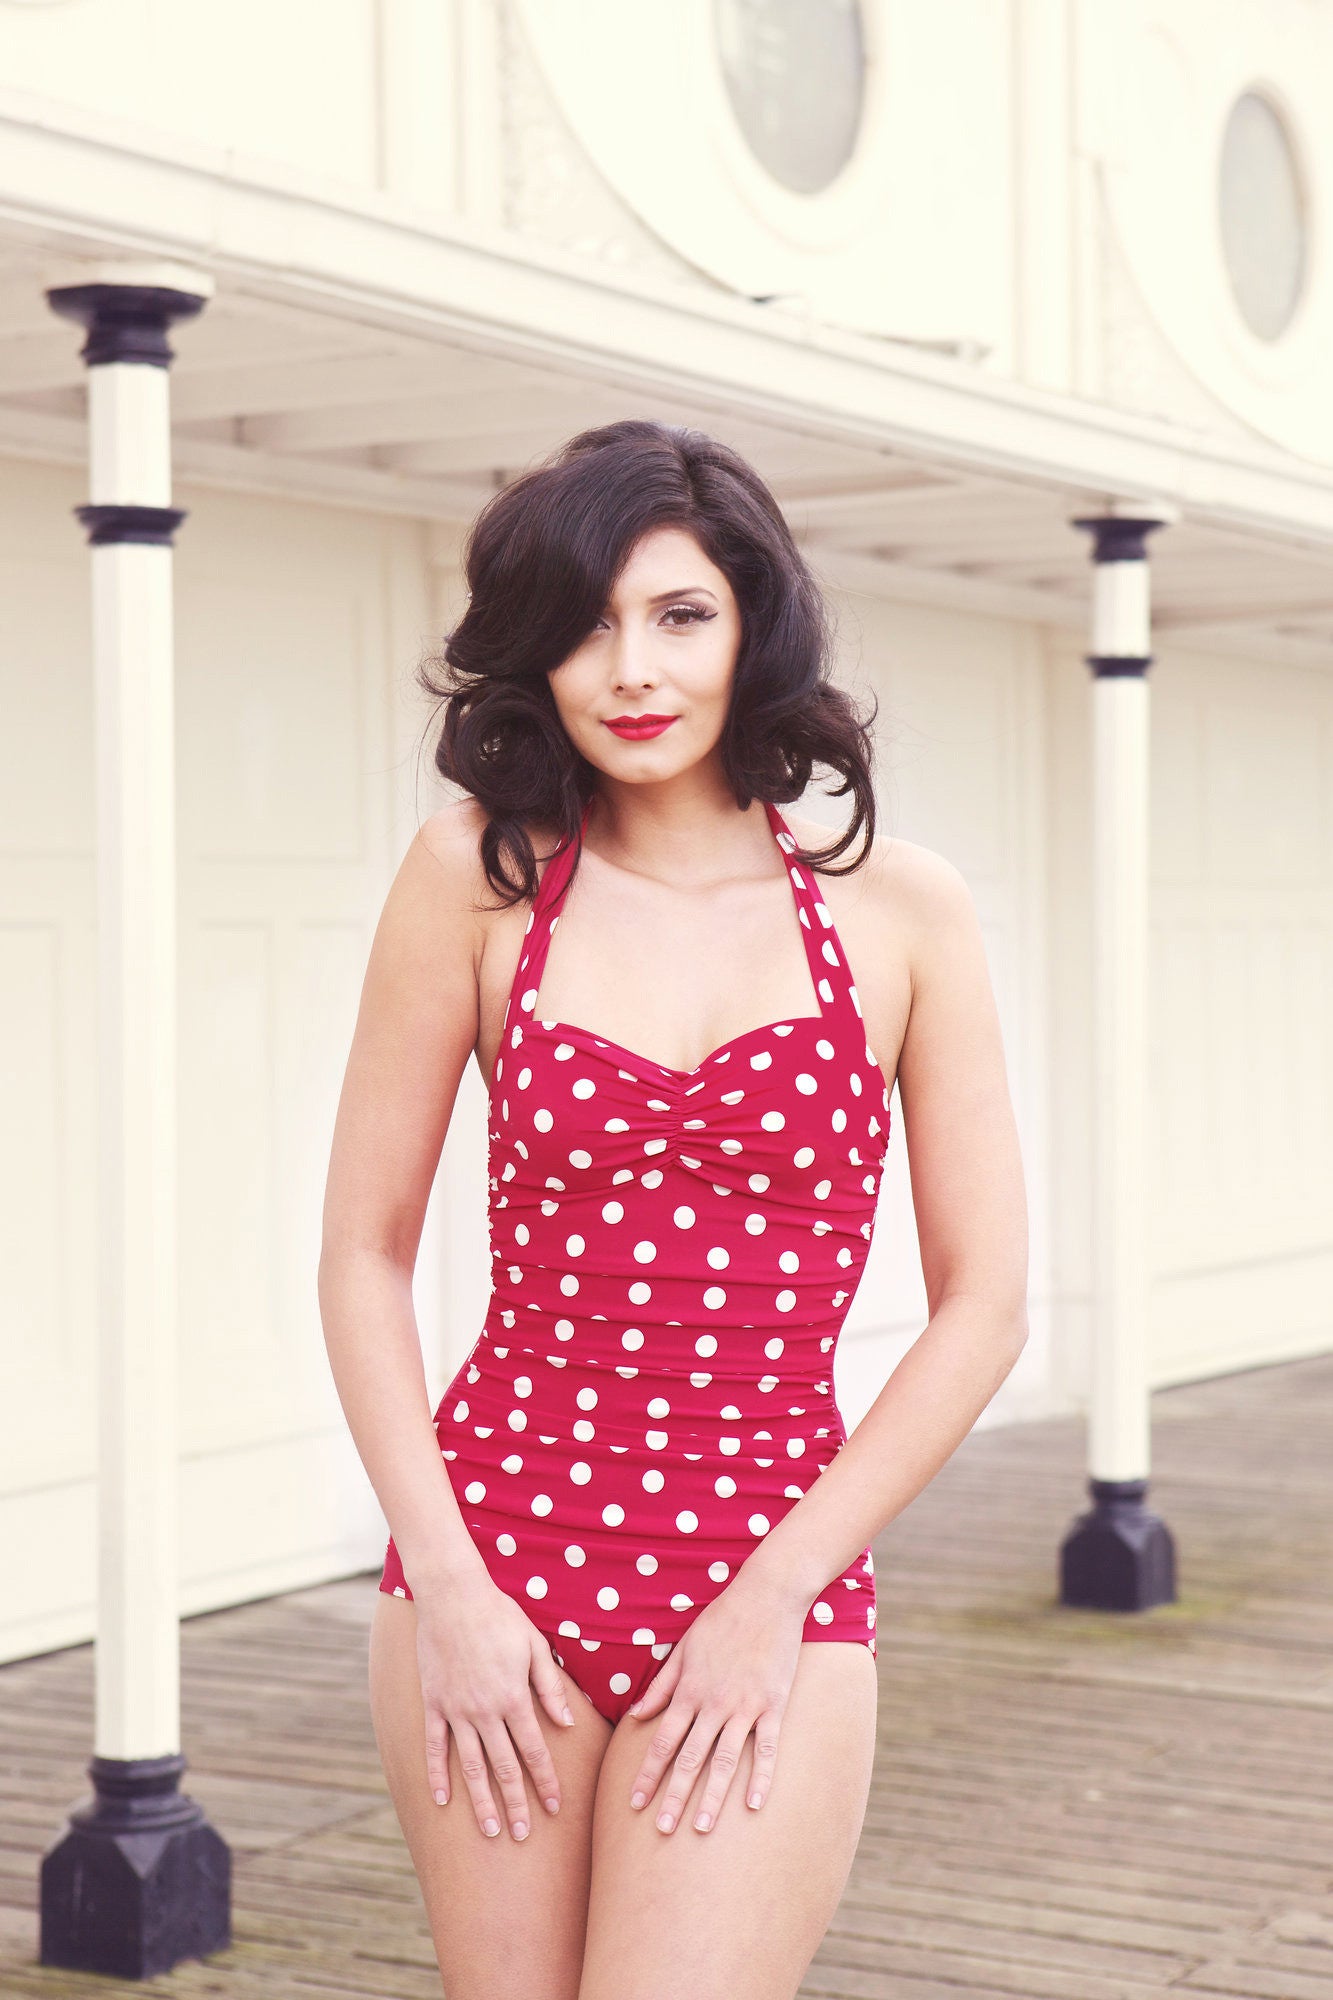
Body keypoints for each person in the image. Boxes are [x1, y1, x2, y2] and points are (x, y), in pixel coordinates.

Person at [318, 418, 1029, 2000]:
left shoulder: (898, 909)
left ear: (752, 623)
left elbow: (984, 1301)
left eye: (678, 615)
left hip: (764, 1551)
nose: (629, 668)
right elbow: (364, 1252)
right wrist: (445, 1579)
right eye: (582, 623)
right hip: (493, 1547)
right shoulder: (477, 876)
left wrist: (773, 1591)